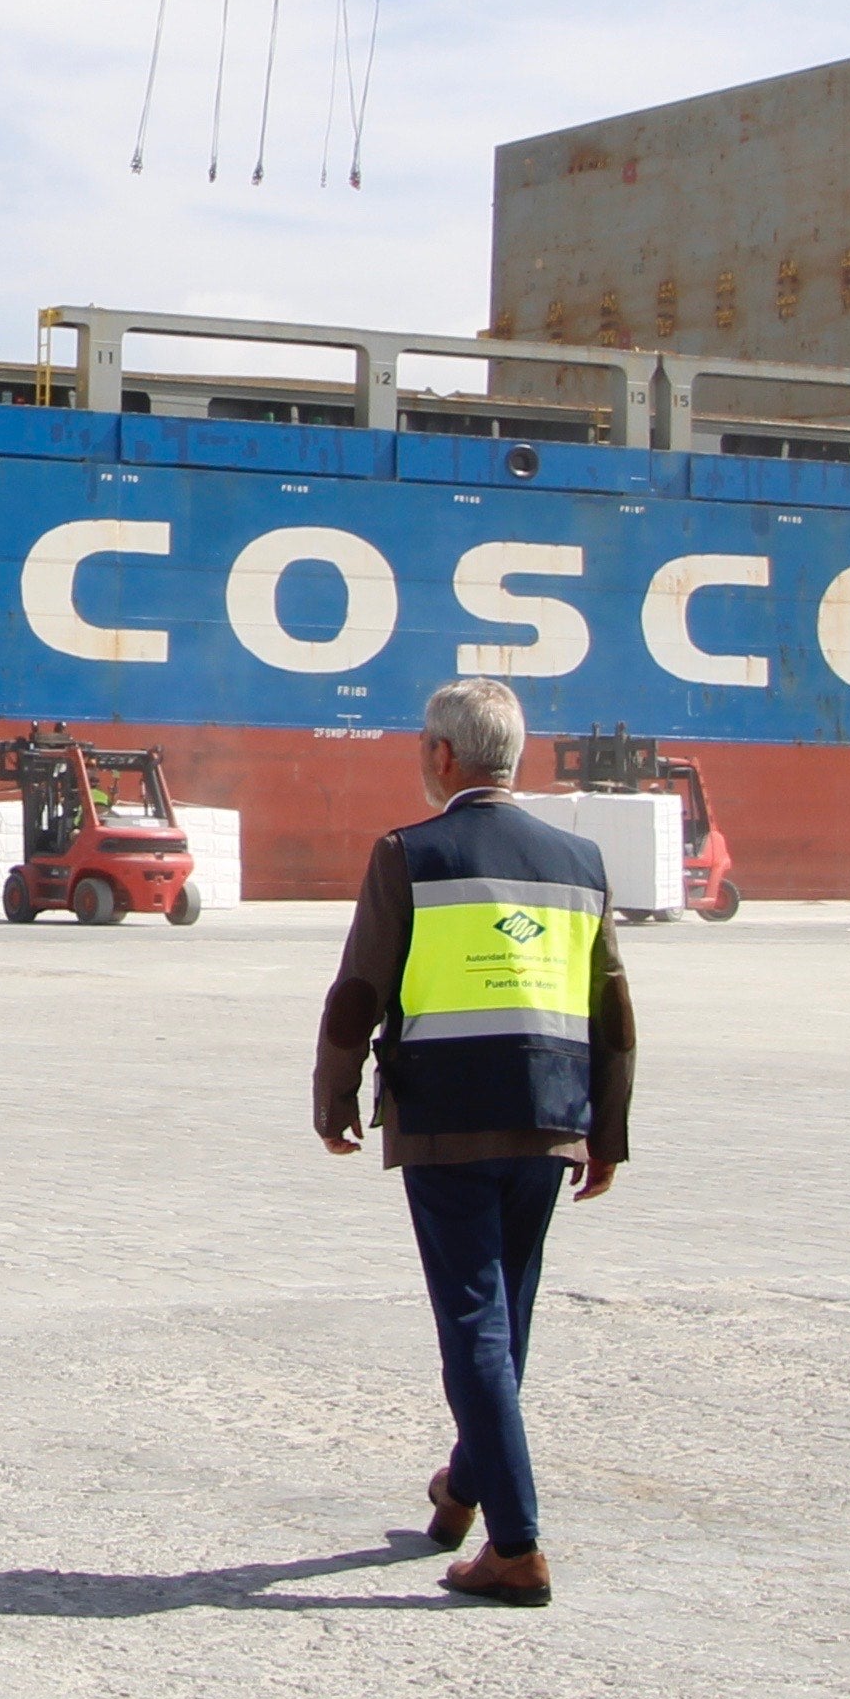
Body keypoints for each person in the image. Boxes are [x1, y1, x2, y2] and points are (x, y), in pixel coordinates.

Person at [312, 675, 636, 1607]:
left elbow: (359, 991)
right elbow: (610, 1006)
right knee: (507, 1318)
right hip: (549, 1118)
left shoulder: (409, 854)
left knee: (473, 1325)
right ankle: (462, 1487)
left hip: (446, 1120)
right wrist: (606, 1130)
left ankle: (518, 1544)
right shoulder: (578, 861)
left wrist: (335, 1096)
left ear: (443, 756)